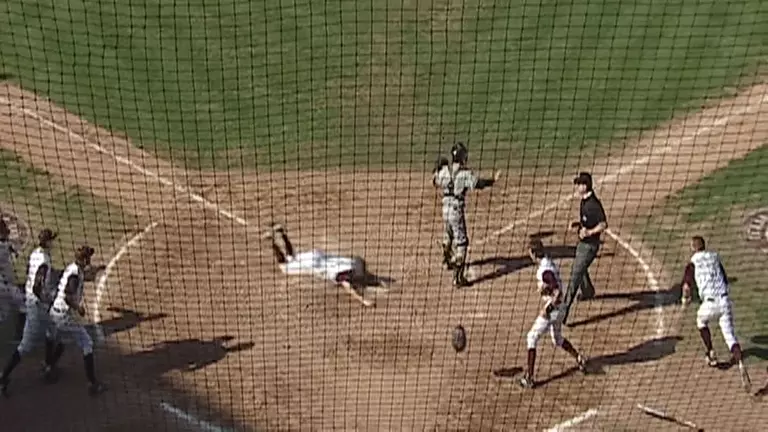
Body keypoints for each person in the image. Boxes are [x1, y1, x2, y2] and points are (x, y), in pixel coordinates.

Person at [681, 236, 751, 393]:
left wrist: (686, 299)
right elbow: (725, 280)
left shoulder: (692, 264)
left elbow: (686, 287)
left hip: (710, 304)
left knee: (700, 321)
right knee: (730, 337)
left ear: (692, 248)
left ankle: (710, 352)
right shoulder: (715, 257)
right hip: (725, 301)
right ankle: (740, 362)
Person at [519, 239, 588, 389]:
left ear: (534, 253)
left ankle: (529, 377)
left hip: (554, 309)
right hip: (560, 308)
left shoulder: (544, 271)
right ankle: (578, 357)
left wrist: (547, 309)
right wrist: (545, 289)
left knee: (531, 337)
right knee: (557, 339)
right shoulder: (548, 262)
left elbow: (556, 291)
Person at [264, 224, 385, 307]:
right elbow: (350, 289)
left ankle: (281, 234)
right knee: (285, 266)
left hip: (318, 256)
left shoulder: (353, 264)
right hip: (316, 261)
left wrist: (375, 281)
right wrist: (364, 301)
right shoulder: (345, 273)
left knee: (291, 259)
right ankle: (274, 240)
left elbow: (357, 280)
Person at [432, 142, 500, 287]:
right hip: (456, 210)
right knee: (462, 242)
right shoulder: (464, 174)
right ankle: (458, 278)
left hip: (445, 209)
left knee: (448, 233)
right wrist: (493, 180)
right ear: (463, 157)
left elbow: (434, 180)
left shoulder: (445, 171)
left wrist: (437, 167)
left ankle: (446, 260)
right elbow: (478, 184)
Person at [561, 172, 607, 326]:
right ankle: (588, 291)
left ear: (585, 186)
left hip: (590, 246)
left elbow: (603, 224)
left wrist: (589, 232)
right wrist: (578, 225)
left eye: (579, 184)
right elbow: (587, 222)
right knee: (578, 268)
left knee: (575, 277)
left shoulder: (593, 204)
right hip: (583, 244)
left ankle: (562, 314)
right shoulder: (584, 201)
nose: (576, 186)